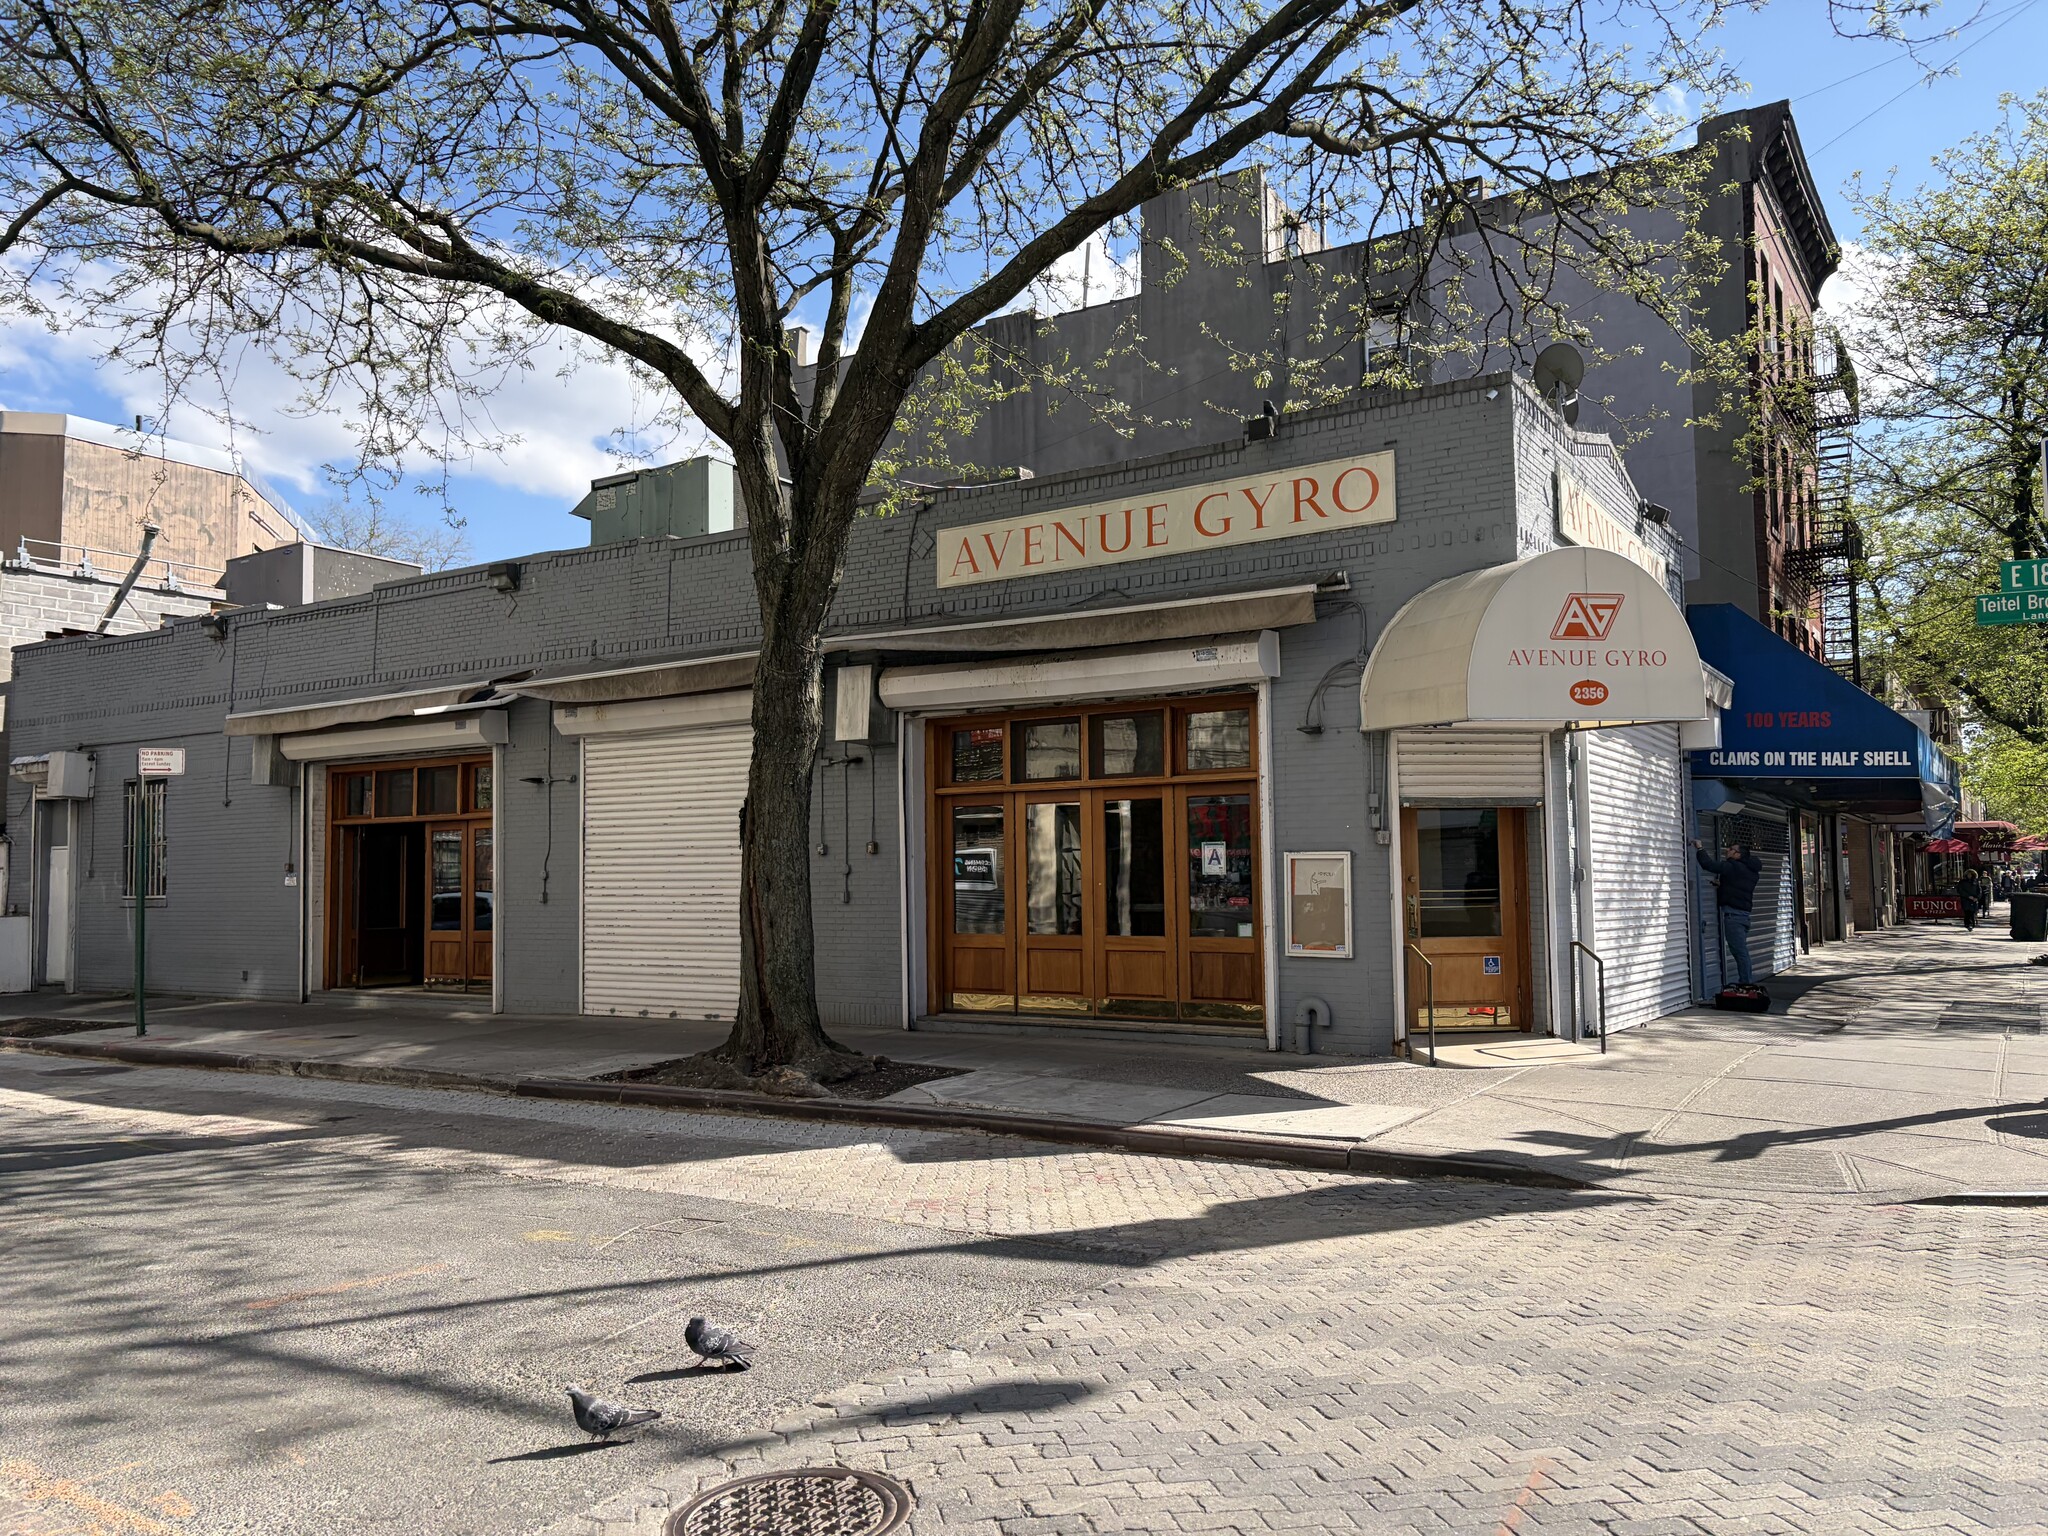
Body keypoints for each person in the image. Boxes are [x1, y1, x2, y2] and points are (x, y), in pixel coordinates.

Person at [1696, 839, 1763, 985]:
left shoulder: (1733, 866)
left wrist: (1700, 848)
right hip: (1743, 917)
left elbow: (1709, 865)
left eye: (1731, 849)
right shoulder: (1751, 872)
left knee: (1740, 953)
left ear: (1738, 854)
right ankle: (1746, 982)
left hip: (1734, 918)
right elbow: (1738, 887)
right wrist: (1722, 885)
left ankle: (1746, 984)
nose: (1727, 850)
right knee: (1741, 952)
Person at [1956, 866, 1985, 931]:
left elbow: (1979, 891)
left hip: (1974, 899)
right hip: (1966, 899)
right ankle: (1967, 924)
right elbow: (1960, 890)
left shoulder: (1976, 882)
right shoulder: (1962, 882)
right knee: (1967, 912)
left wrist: (1977, 898)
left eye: (1970, 874)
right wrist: (1968, 896)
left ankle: (1972, 924)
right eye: (1968, 874)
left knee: (1973, 912)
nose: (1969, 875)